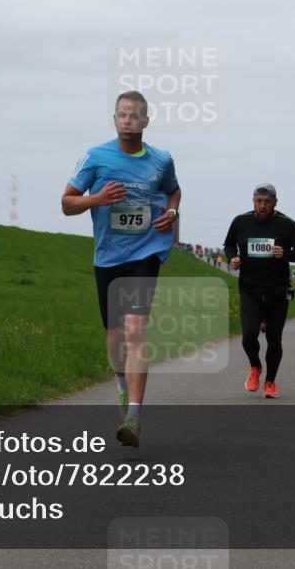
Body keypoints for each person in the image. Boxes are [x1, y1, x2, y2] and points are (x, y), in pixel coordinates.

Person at [61, 90, 180, 448]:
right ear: (114, 120)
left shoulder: (162, 159)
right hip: (108, 257)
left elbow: (174, 192)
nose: (127, 121)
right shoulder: (95, 157)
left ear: (145, 121)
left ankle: (134, 415)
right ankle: (121, 384)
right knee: (115, 337)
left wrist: (171, 213)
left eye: (134, 116)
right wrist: (96, 199)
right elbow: (67, 203)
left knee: (135, 329)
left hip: (146, 252)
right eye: (121, 115)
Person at [224, 184, 295, 399]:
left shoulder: (287, 224)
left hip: (276, 290)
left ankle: (270, 382)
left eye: (267, 202)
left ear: (275, 203)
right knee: (249, 334)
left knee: (274, 338)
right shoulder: (241, 221)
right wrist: (232, 258)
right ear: (253, 200)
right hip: (249, 288)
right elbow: (228, 245)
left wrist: (286, 253)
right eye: (259, 201)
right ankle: (255, 367)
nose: (262, 206)